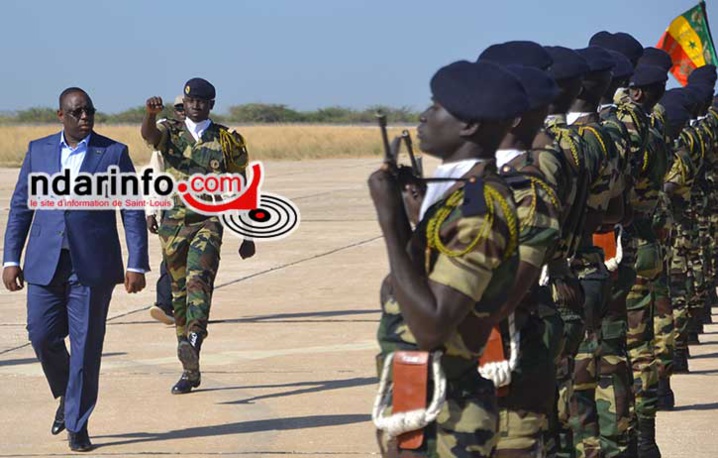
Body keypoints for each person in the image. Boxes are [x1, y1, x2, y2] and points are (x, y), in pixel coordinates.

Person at [370, 60, 526, 457]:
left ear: (469, 125)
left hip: (450, 417)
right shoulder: (457, 193)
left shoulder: (478, 210)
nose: (423, 117)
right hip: (422, 397)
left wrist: (389, 223)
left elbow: (433, 325)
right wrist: (411, 221)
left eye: (436, 107)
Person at [2, 87, 149, 452]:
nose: (85, 118)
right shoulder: (39, 150)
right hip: (44, 263)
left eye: (90, 112)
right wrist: (10, 258)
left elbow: (131, 209)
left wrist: (136, 262)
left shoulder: (113, 153)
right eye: (77, 112)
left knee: (85, 349)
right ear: (61, 116)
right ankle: (67, 396)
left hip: (92, 266)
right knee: (41, 335)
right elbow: (21, 206)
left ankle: (77, 424)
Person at [141, 78, 255, 394]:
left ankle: (194, 339)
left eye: (202, 101)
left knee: (199, 282)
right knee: (178, 296)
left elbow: (241, 184)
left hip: (209, 221)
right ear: (185, 104)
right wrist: (149, 115)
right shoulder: (169, 132)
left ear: (211, 105)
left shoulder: (228, 139)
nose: (195, 105)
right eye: (190, 101)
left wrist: (248, 232)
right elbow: (149, 137)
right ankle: (189, 366)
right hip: (173, 225)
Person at [146, 95, 186, 326]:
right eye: (178, 108)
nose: (182, 111)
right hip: (172, 209)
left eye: (185, 106)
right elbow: (155, 176)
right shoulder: (165, 138)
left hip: (203, 212)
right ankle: (164, 305)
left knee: (196, 265)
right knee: (169, 259)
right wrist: (151, 211)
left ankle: (190, 307)